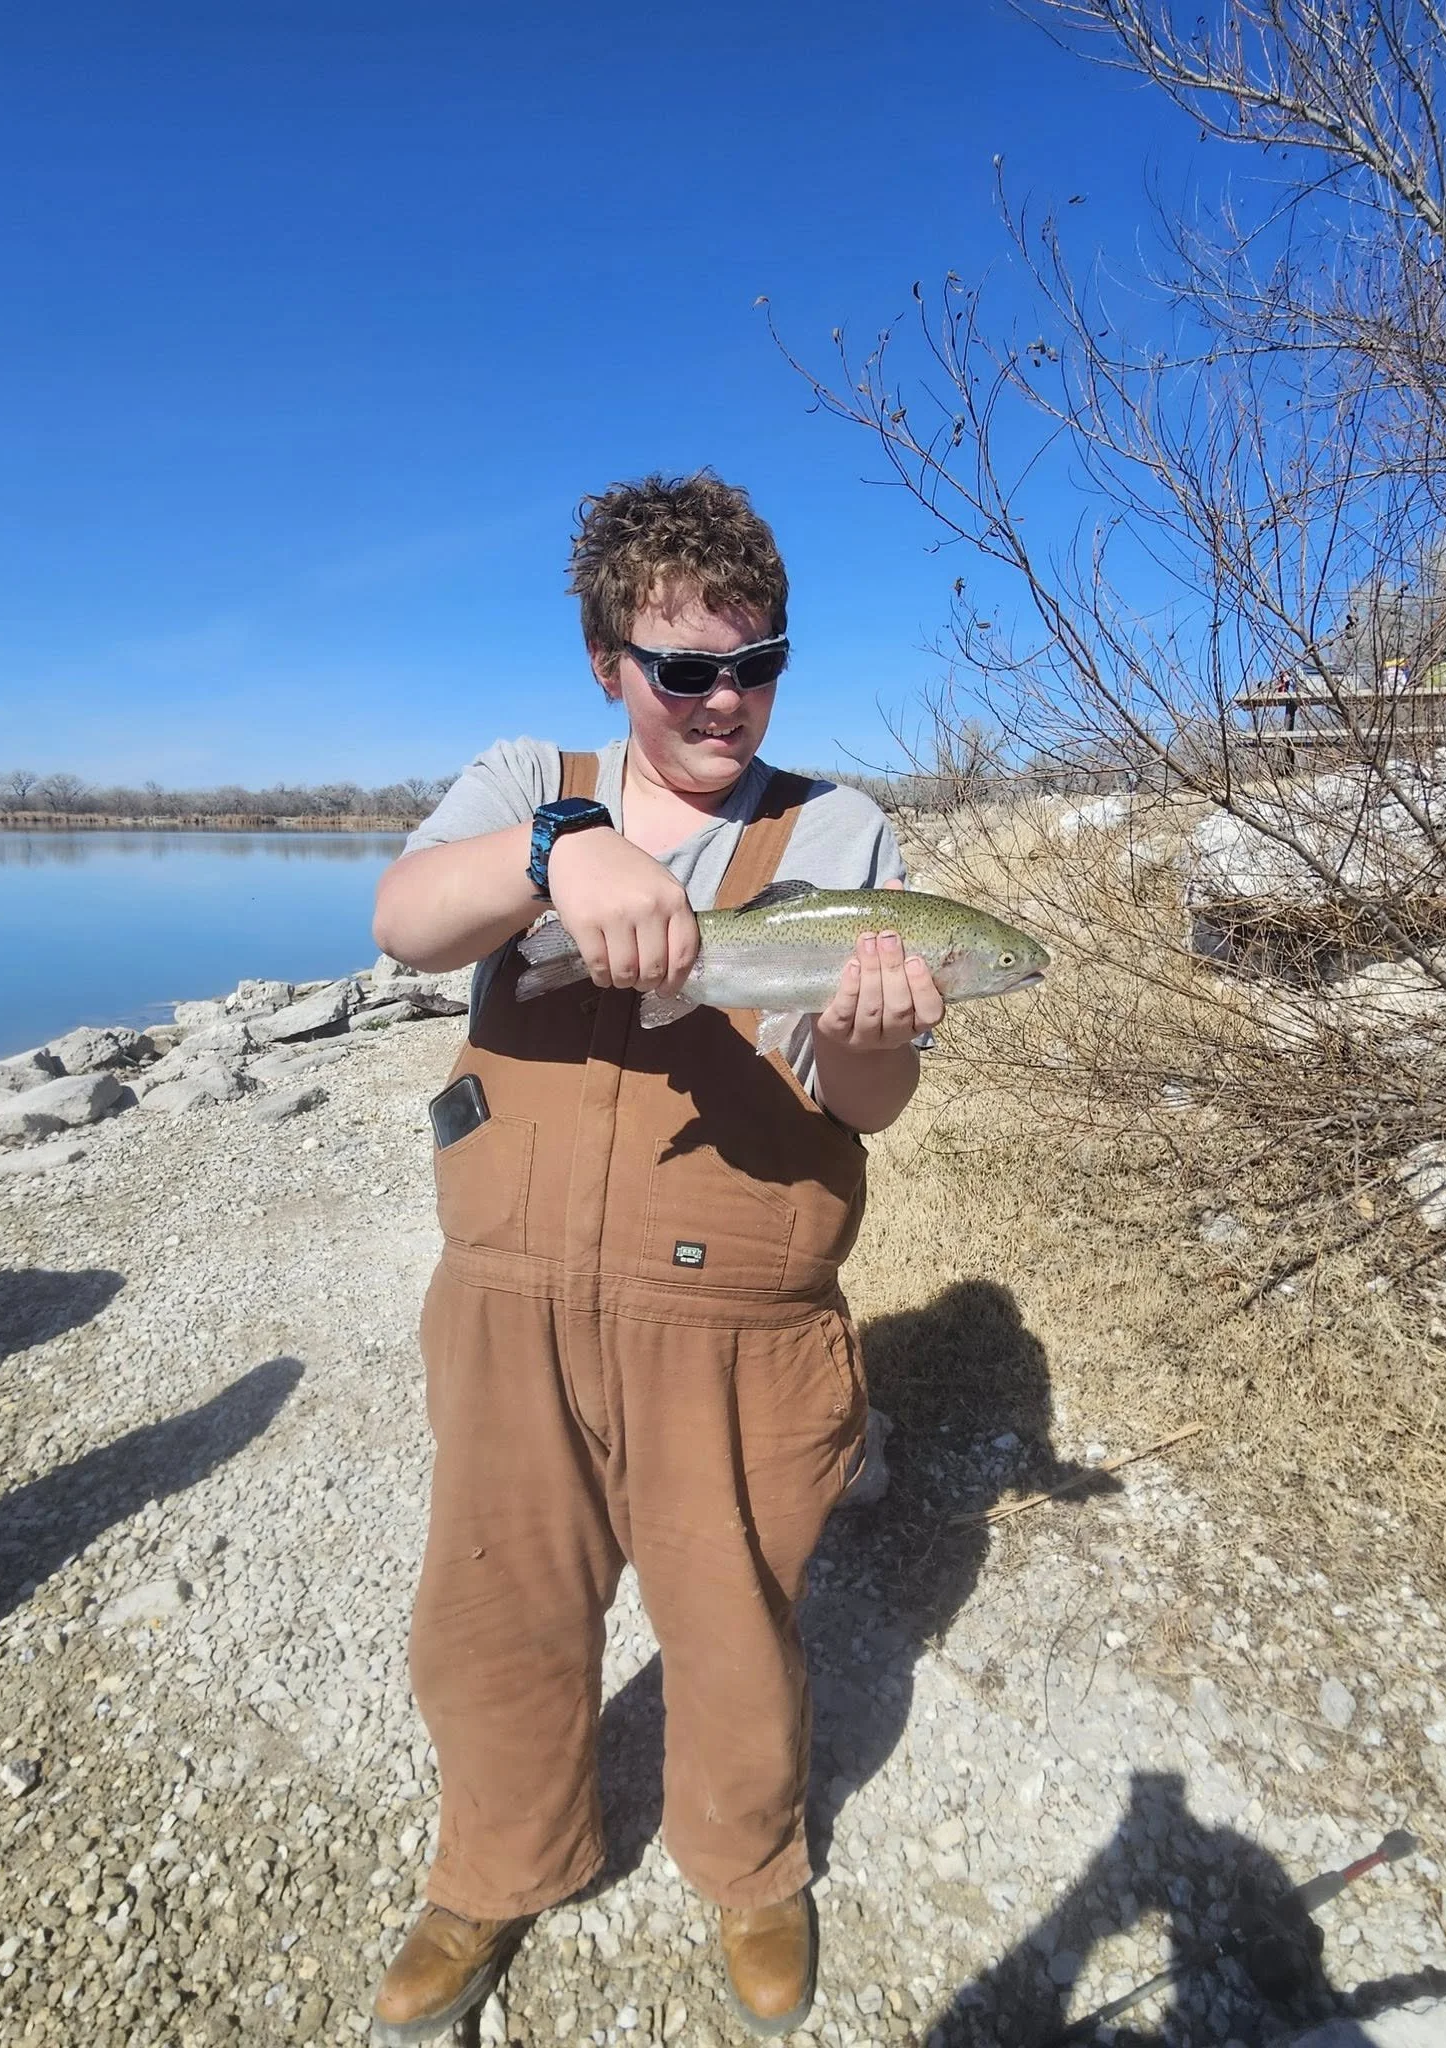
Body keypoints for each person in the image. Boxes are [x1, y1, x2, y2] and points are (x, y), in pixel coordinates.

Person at [364, 472, 943, 2042]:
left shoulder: (836, 829)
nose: (724, 700)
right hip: (509, 1305)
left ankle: (751, 1867)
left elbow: (866, 1106)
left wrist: (877, 1027)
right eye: (684, 668)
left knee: (735, 1619)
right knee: (493, 1608)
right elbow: (407, 920)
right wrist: (564, 849)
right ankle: (495, 1867)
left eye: (757, 664)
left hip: (740, 1320)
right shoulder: (526, 781)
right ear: (609, 663)